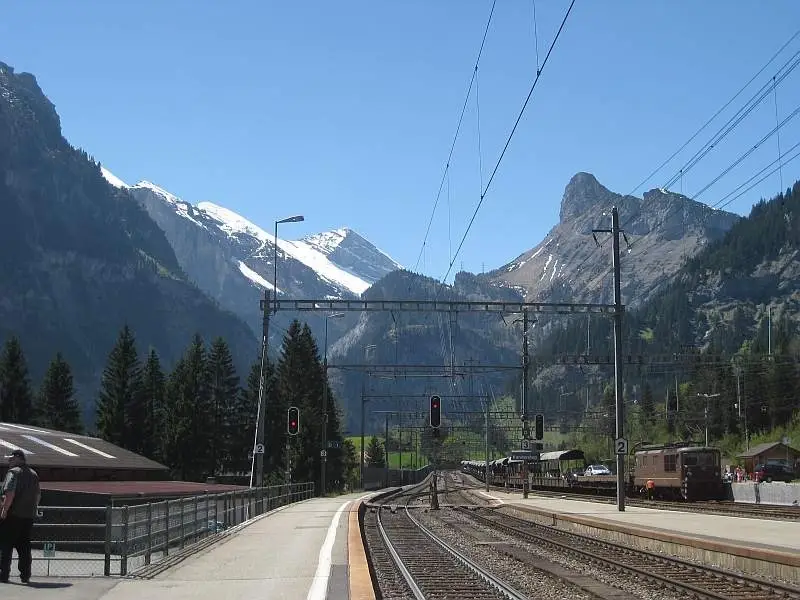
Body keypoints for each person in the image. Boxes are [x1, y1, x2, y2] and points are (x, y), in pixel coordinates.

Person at [0, 449, 40, 584]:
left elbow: (9, 493)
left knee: (6, 545)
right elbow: (38, 496)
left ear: (18, 458)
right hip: (28, 516)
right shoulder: (34, 474)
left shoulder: (13, 473)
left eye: (11, 458)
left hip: (13, 515)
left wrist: (4, 511)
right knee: (24, 546)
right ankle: (25, 574)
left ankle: (3, 574)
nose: (9, 461)